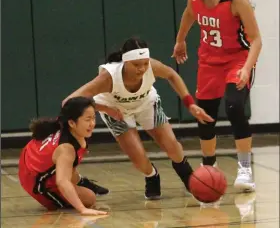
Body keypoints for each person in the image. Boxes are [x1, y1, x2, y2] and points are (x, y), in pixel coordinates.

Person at [63, 37, 214, 200]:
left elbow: (172, 75)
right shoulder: (109, 78)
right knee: (138, 158)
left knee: (172, 146)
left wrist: (190, 104)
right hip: (116, 110)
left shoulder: (152, 67)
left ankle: (186, 174)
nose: (141, 69)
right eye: (136, 65)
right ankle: (152, 175)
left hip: (146, 103)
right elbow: (69, 101)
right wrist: (106, 109)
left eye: (144, 63)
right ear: (125, 61)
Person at [172, 0, 262, 192]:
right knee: (205, 115)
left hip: (236, 60)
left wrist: (246, 68)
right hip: (209, 62)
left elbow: (256, 40)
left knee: (234, 106)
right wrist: (181, 40)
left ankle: (245, 168)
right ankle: (209, 166)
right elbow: (189, 14)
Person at [18, 96, 109, 215]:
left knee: (69, 169)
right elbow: (62, 182)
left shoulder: (65, 124)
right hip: (34, 181)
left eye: (93, 118)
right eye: (87, 119)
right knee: (89, 198)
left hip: (31, 160)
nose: (92, 123)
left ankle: (82, 181)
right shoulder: (66, 148)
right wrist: (82, 209)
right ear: (72, 122)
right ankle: (59, 192)